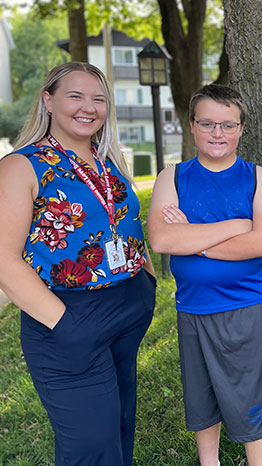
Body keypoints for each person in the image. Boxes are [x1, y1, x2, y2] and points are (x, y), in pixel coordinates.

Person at [0, 62, 156, 465]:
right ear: (48, 101)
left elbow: (127, 225)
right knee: (90, 447)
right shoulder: (22, 166)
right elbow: (3, 259)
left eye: (99, 98)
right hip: (66, 317)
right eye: (76, 96)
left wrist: (148, 283)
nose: (89, 107)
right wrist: (65, 324)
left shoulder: (109, 161)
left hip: (127, 310)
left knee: (119, 431)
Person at [147, 84, 262, 466]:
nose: (217, 133)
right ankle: (210, 463)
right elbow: (160, 237)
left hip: (245, 308)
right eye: (208, 123)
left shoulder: (259, 178)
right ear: (191, 125)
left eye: (227, 124)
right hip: (192, 308)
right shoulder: (171, 178)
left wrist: (192, 238)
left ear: (242, 128)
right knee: (201, 396)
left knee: (251, 396)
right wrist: (238, 224)